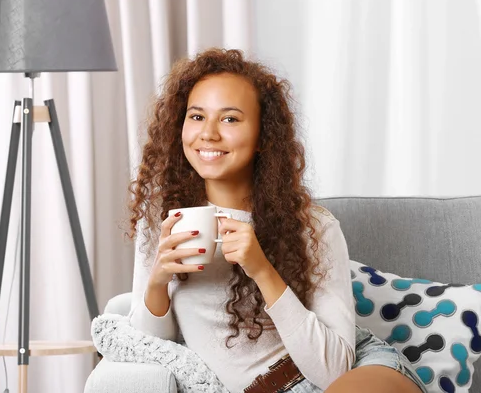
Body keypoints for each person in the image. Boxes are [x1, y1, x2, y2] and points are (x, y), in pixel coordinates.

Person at [126, 48, 426, 393]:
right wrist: (158, 281)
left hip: (351, 372)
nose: (208, 133)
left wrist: (262, 269)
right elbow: (149, 356)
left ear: (262, 138)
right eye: (196, 117)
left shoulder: (313, 226)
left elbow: (334, 370)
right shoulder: (163, 221)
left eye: (229, 119)